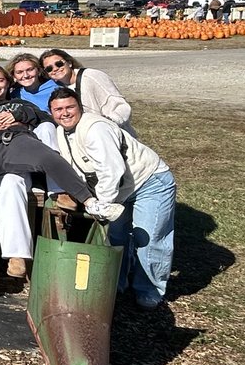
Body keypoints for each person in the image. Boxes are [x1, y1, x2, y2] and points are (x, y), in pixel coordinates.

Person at [0, 67, 102, 270]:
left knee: (31, 172)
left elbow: (44, 119)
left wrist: (19, 115)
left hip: (15, 144)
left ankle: (87, 200)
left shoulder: (19, 103)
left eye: (0, 80)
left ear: (8, 83)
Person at [49, 88, 172, 309]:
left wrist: (102, 205)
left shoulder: (96, 129)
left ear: (80, 108)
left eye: (70, 107)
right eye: (58, 109)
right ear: (52, 112)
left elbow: (111, 170)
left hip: (149, 181)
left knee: (148, 238)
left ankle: (150, 290)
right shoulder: (61, 132)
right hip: (120, 190)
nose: (64, 113)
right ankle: (118, 283)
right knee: (116, 238)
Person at [39, 49, 135, 135]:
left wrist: (106, 124)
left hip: (112, 134)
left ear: (69, 63)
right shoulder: (60, 88)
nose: (55, 69)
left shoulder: (91, 76)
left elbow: (121, 107)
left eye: (59, 64)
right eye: (49, 68)